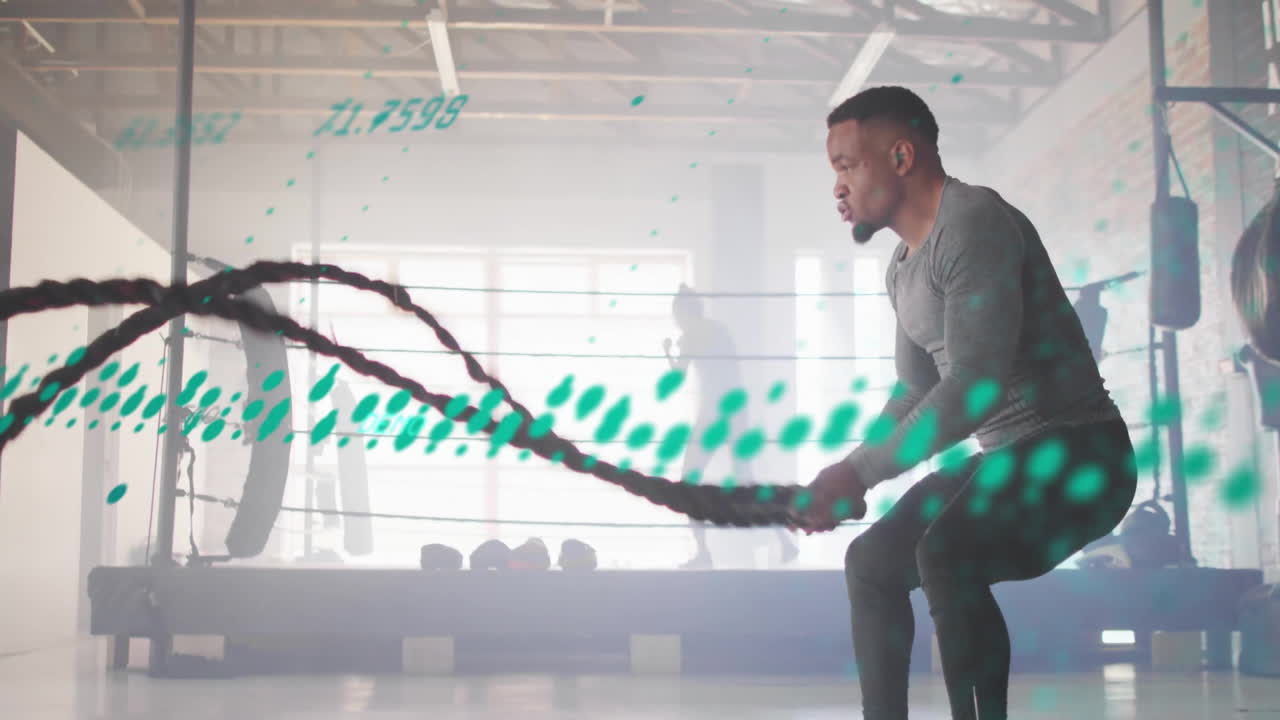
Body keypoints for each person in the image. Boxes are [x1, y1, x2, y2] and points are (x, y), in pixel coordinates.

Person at [789, 86, 1137, 720]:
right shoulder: (901, 266)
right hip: (1008, 459)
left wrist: (860, 473)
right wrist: (847, 473)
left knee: (945, 553)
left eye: (847, 165)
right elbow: (913, 392)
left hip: (1084, 455)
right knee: (871, 562)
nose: (837, 187)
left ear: (901, 157)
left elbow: (975, 386)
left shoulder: (974, 221)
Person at [664, 284, 799, 569]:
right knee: (747, 481)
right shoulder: (719, 330)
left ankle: (703, 553)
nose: (676, 320)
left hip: (713, 413)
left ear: (684, 312)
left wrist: (668, 353)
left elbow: (678, 377)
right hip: (736, 410)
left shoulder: (691, 335)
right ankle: (784, 540)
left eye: (676, 315)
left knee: (688, 482)